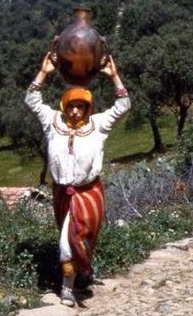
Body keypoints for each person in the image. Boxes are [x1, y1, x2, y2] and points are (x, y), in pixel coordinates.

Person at [25, 52, 131, 307]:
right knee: (74, 239)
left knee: (69, 241)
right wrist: (44, 71)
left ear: (88, 108)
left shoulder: (98, 125)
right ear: (64, 105)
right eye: (71, 106)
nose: (75, 111)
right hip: (62, 193)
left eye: (80, 106)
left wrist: (114, 76)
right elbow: (31, 100)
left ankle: (67, 289)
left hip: (88, 193)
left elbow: (123, 106)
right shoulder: (53, 123)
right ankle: (83, 273)